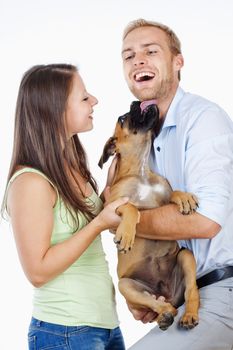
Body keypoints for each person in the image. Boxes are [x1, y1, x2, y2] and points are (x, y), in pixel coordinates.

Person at [119, 19, 233, 349]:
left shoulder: (202, 120)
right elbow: (109, 200)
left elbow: (206, 220)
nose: (137, 60)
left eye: (150, 51)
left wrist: (128, 220)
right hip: (179, 293)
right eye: (128, 56)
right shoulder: (141, 135)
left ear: (177, 62)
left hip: (222, 288)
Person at [1, 64, 127, 350]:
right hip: (65, 333)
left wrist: (107, 195)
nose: (94, 101)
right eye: (84, 98)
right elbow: (38, 271)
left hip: (104, 327)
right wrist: (99, 222)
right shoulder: (31, 182)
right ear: (56, 109)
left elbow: (82, 232)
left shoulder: (71, 167)